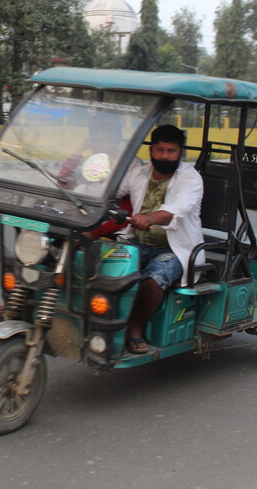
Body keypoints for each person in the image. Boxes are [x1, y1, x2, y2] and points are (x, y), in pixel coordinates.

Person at [84, 124, 204, 354]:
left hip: (175, 248)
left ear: (180, 152)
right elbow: (111, 193)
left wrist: (149, 217)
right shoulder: (139, 172)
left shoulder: (190, 178)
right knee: (99, 264)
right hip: (136, 242)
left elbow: (174, 210)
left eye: (171, 151)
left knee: (154, 278)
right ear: (151, 150)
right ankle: (100, 319)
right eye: (160, 150)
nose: (165, 156)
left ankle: (135, 328)